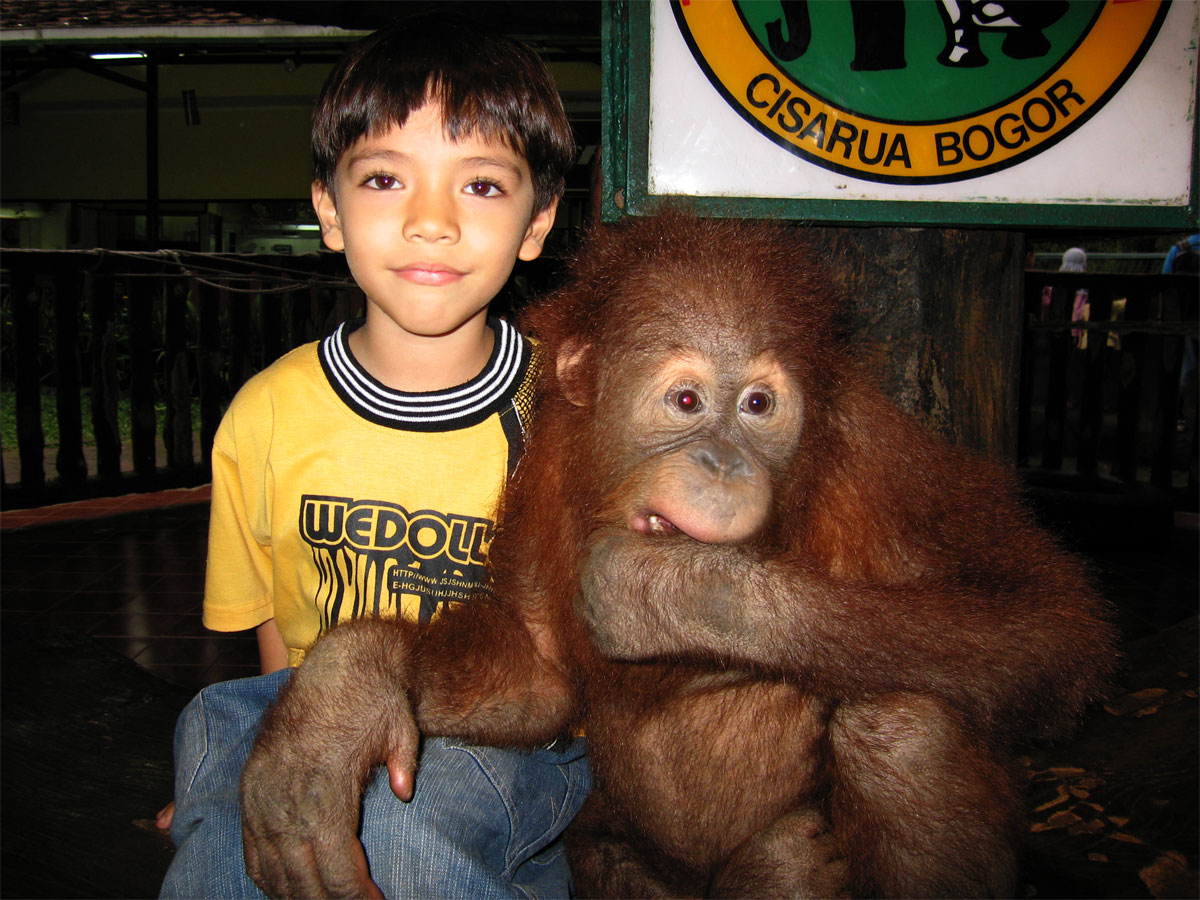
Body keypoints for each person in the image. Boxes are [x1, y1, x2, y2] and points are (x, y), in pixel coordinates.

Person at [159, 13, 590, 899]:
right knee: (219, 740)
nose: (430, 222)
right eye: (387, 178)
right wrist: (254, 766)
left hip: (492, 737)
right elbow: (278, 630)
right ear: (328, 207)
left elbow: (567, 670)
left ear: (538, 220)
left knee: (403, 826)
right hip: (303, 709)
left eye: (480, 186)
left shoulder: (567, 410)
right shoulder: (267, 414)